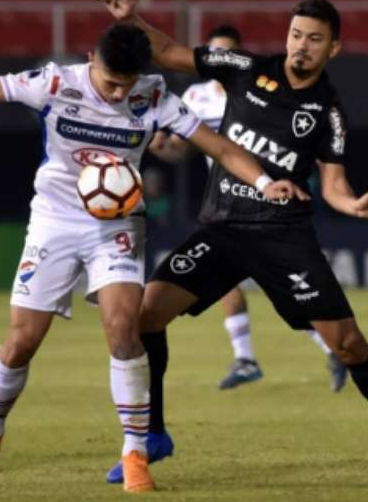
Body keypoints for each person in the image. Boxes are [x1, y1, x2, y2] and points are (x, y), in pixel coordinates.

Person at [0, 23, 308, 493]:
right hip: (55, 220)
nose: (117, 91)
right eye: (109, 81)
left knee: (124, 328)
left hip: (117, 225)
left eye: (125, 83)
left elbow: (218, 146)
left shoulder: (153, 95)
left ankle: (136, 451)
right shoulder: (56, 83)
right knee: (21, 341)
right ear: (89, 59)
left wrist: (265, 183)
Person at [93, 0, 368, 482]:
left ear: (334, 49)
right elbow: (169, 52)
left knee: (349, 346)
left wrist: (356, 204)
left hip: (283, 238)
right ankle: (153, 434)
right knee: (144, 316)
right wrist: (132, 18)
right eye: (295, 34)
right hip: (221, 230)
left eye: (313, 39)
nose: (300, 46)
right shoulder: (243, 66)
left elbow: (334, 186)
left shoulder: (327, 113)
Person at [149, 24, 348, 393]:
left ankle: (332, 347)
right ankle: (246, 359)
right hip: (226, 206)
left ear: (238, 56)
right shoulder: (196, 95)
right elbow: (182, 149)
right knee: (225, 284)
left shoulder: (261, 89)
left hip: (271, 208)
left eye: (226, 53)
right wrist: (163, 149)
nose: (218, 61)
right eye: (213, 54)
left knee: (291, 294)